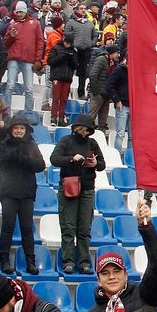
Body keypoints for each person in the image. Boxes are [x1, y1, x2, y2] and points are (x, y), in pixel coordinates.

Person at [50, 115, 106, 273]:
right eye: (82, 129)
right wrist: (71, 159)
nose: (84, 132)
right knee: (68, 227)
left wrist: (95, 163)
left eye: (87, 130)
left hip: (87, 188)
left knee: (84, 228)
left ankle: (84, 262)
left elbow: (102, 164)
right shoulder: (66, 141)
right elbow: (54, 159)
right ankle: (68, 261)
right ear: (76, 128)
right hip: (69, 187)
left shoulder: (92, 143)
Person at [0, 114, 45, 274]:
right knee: (8, 226)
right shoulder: (4, 144)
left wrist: (25, 159)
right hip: (9, 191)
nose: (19, 131)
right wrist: (13, 156)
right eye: (16, 128)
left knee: (27, 228)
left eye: (22, 128)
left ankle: (30, 262)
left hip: (27, 191)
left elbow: (40, 165)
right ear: (11, 129)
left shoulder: (32, 146)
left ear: (26, 130)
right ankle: (4, 261)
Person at [0, 1, 43, 113]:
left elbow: (40, 42)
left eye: (20, 12)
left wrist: (38, 59)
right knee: (10, 86)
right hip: (14, 58)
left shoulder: (35, 24)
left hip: (28, 59)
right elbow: (6, 43)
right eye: (17, 12)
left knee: (29, 88)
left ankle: (28, 113)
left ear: (25, 11)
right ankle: (7, 112)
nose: (18, 14)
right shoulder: (12, 24)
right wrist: (11, 36)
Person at [46, 16, 75, 126]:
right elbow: (50, 61)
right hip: (57, 76)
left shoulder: (73, 51)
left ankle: (62, 118)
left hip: (67, 78)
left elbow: (74, 65)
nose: (68, 45)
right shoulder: (56, 48)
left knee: (64, 99)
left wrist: (70, 58)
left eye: (70, 44)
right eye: (67, 43)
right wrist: (62, 57)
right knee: (56, 98)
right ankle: (54, 118)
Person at [87, 44, 119, 131]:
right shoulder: (101, 59)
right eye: (117, 53)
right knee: (91, 116)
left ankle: (102, 134)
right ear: (112, 52)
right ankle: (84, 133)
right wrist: (96, 91)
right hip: (98, 94)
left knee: (103, 120)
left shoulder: (113, 63)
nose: (118, 55)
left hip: (107, 94)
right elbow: (93, 75)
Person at [106, 51, 130, 151]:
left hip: (134, 107)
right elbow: (109, 86)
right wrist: (116, 100)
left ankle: (130, 157)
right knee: (120, 134)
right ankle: (118, 155)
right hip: (122, 106)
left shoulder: (136, 72)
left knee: (132, 136)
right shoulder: (119, 70)